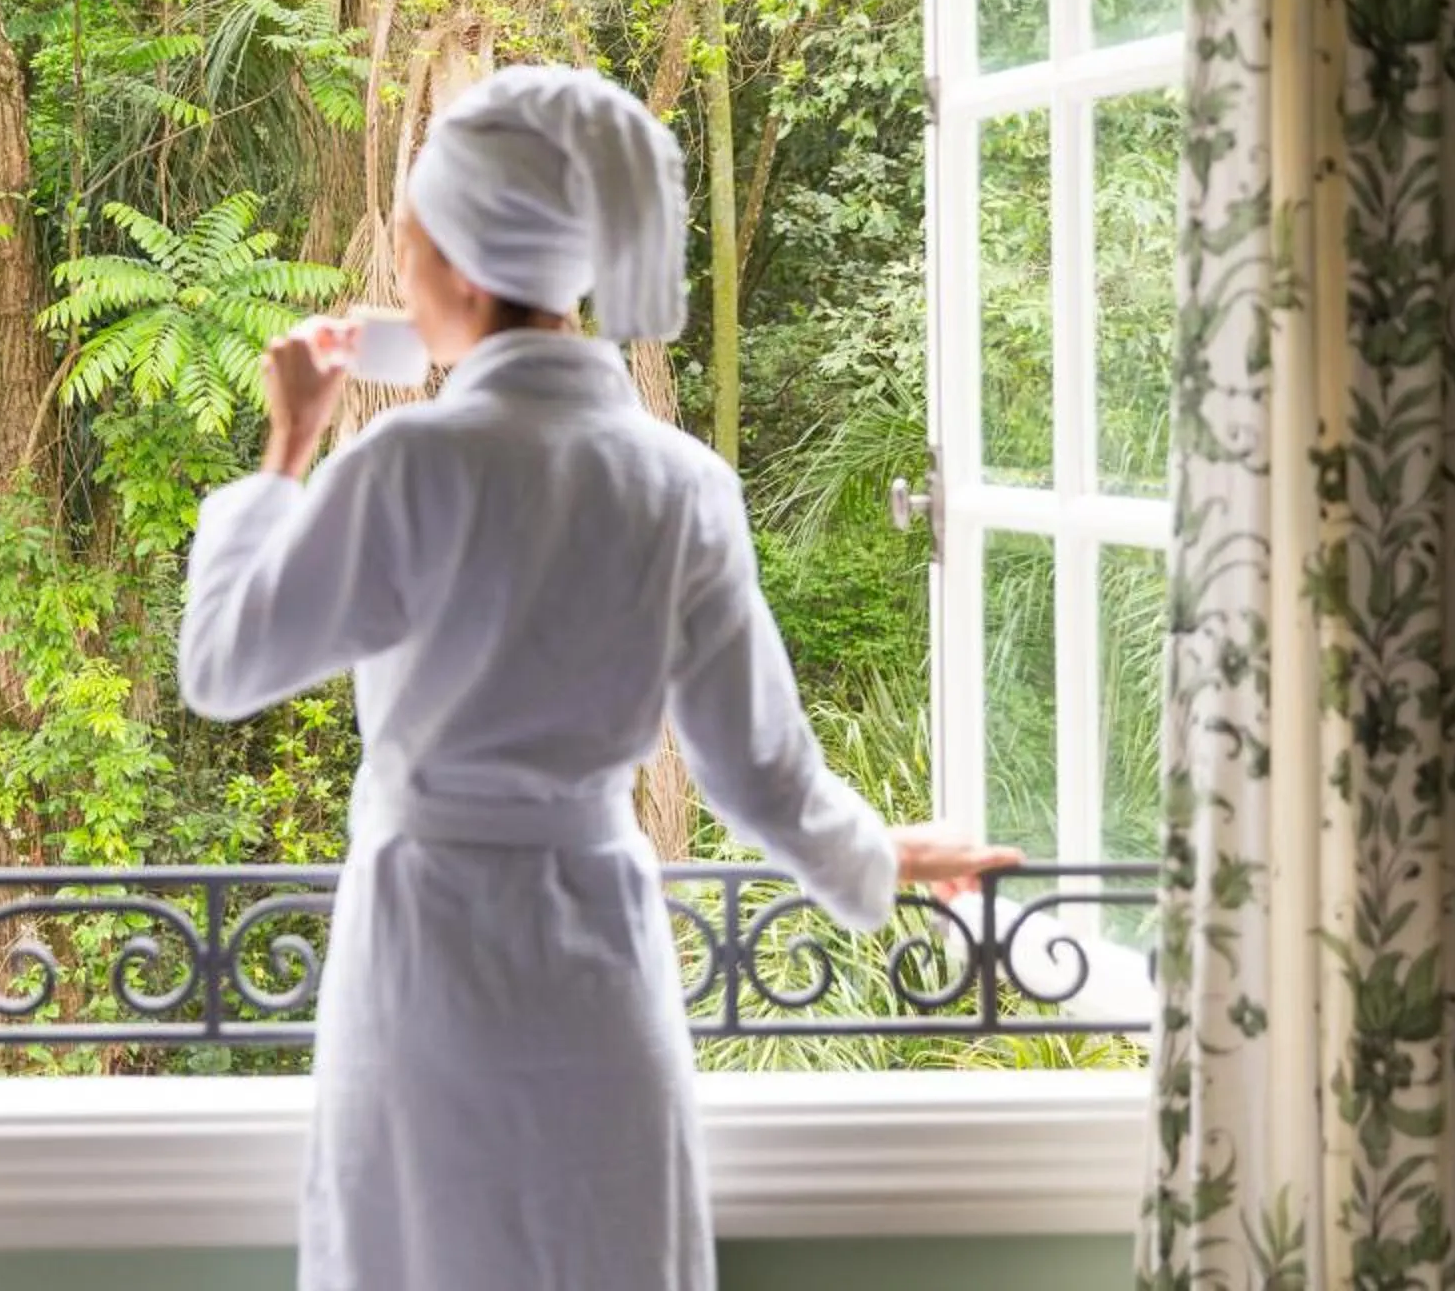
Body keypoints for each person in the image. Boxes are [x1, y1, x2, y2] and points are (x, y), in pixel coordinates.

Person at [180, 65, 1021, 1291]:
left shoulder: (410, 461)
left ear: (459, 270)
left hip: (428, 969)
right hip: (599, 963)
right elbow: (764, 777)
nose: (396, 266)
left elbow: (220, 664)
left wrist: (288, 441)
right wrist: (882, 858)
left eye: (407, 237)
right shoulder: (680, 484)